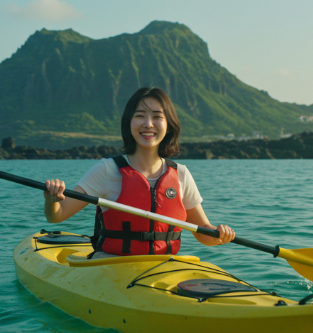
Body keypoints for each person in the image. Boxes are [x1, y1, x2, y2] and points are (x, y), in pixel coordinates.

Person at [43, 87, 235, 258]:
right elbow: (57, 216)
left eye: (157, 117)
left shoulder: (181, 174)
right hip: (112, 264)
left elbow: (203, 233)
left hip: (164, 266)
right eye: (140, 115)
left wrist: (219, 234)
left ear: (168, 125)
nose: (148, 124)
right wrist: (52, 200)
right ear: (129, 122)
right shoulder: (108, 170)